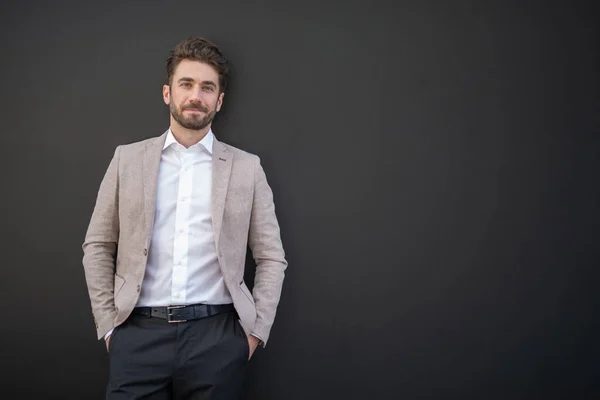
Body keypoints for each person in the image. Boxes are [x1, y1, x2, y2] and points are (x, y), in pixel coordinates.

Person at [82, 36, 287, 399]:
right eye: (186, 84)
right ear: (168, 93)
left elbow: (271, 256)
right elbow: (97, 245)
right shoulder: (127, 160)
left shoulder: (246, 168)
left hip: (217, 340)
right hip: (137, 336)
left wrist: (254, 334)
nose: (196, 95)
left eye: (208, 87)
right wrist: (110, 328)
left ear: (219, 100)